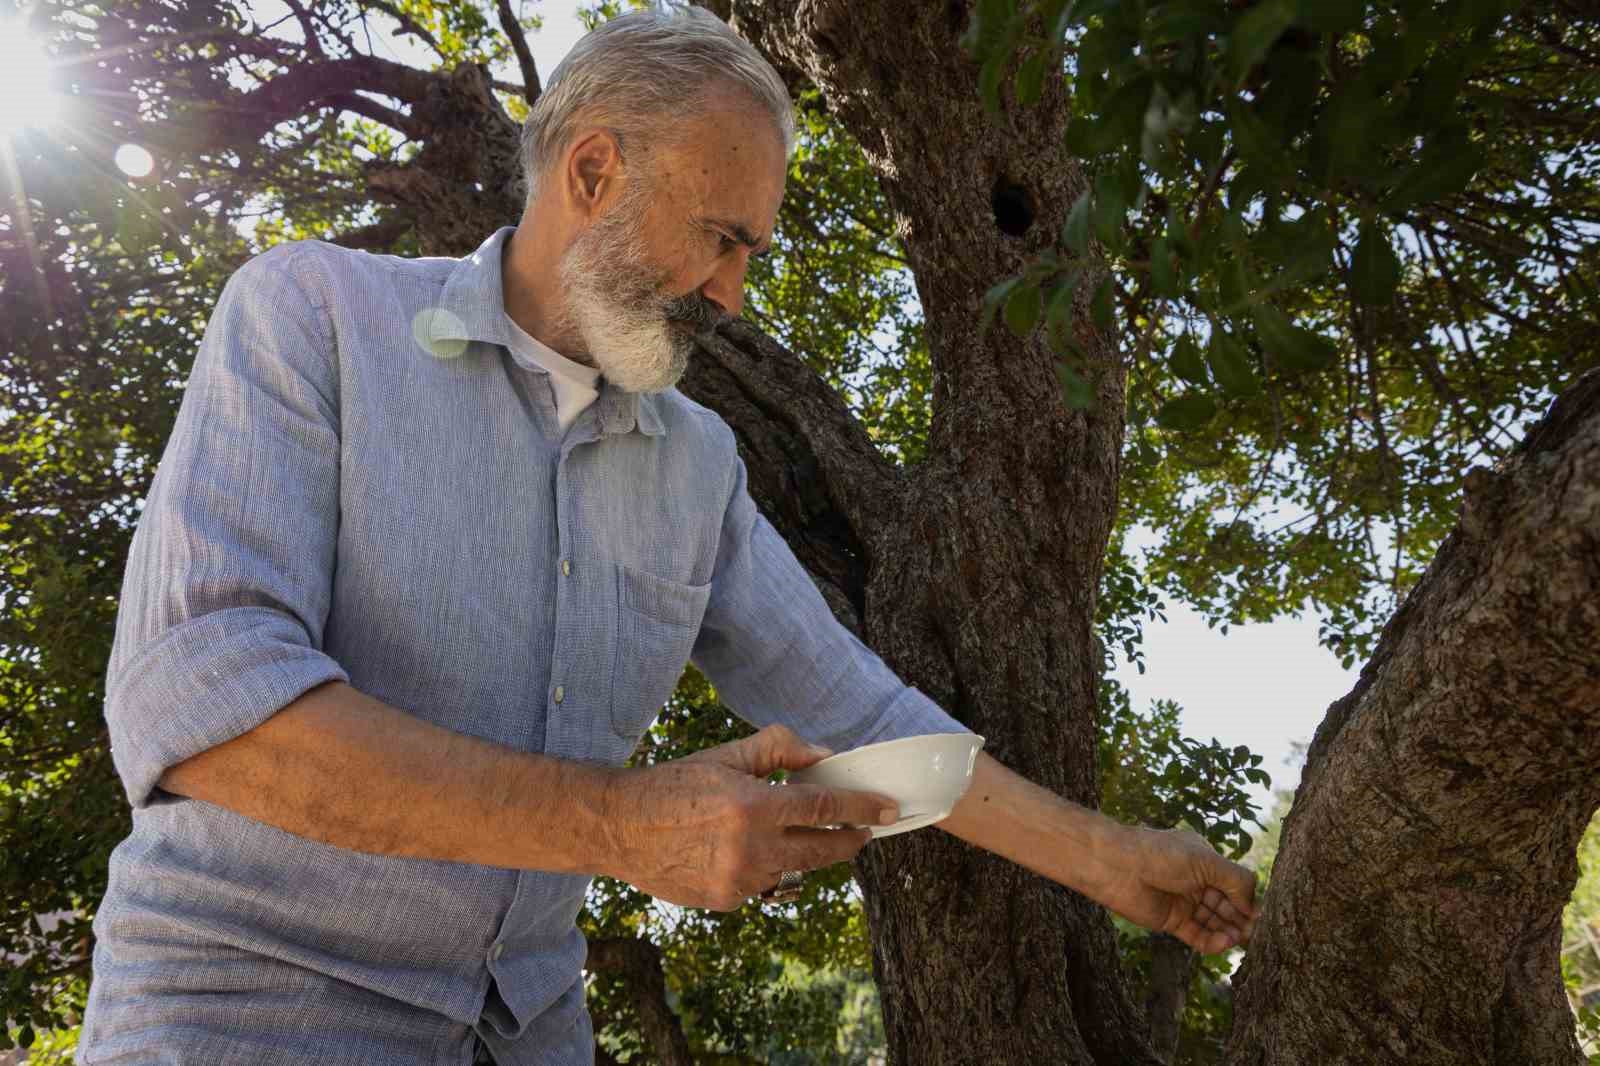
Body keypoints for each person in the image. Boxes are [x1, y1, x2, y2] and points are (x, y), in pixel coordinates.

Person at [76, 6, 1259, 1064]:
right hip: (243, 1012)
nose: (732, 293)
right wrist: (618, 824)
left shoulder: (700, 464)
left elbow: (874, 721)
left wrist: (1113, 863)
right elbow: (202, 709)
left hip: (527, 1029)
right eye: (721, 236)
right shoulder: (311, 316)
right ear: (593, 169)